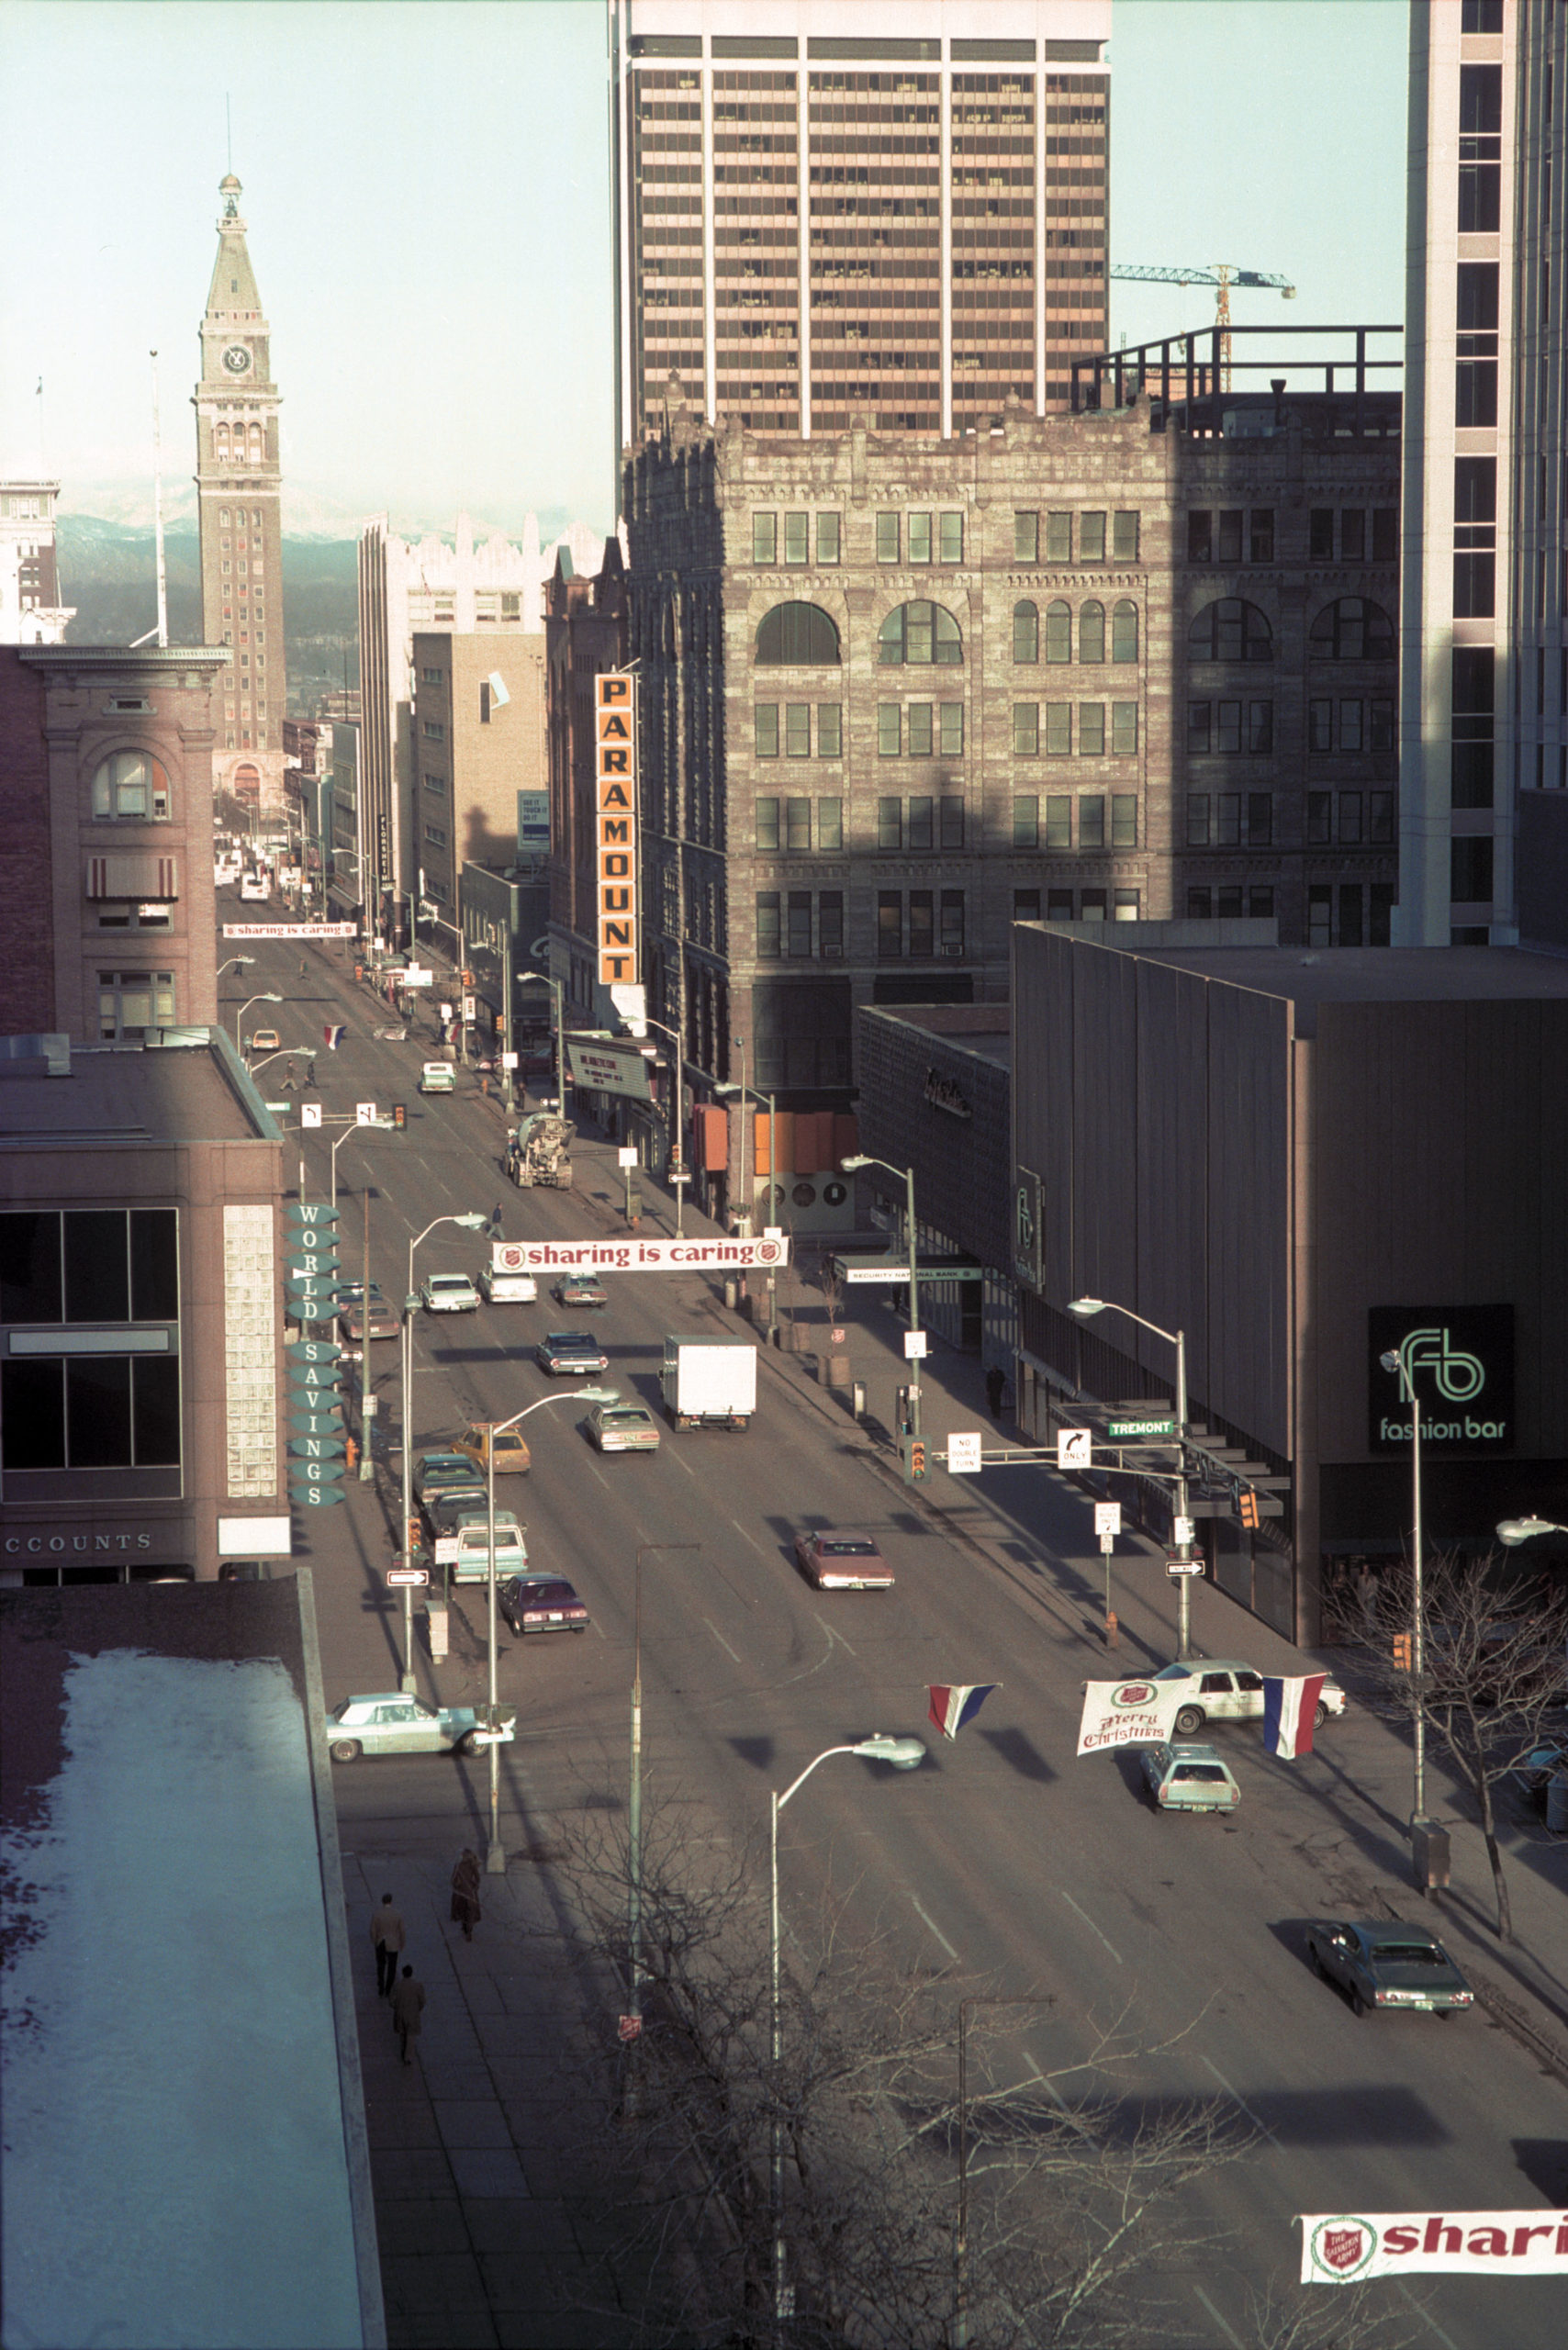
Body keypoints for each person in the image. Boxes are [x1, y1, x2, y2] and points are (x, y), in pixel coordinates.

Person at [370, 1893, 405, 1998]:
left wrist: (375, 1941)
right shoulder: (397, 1914)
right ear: (391, 1901)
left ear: (382, 1901)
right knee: (392, 1967)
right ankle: (388, 1988)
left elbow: (373, 1929)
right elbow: (402, 1931)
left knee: (381, 1965)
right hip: (393, 1943)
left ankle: (381, 1985)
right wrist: (401, 1943)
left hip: (381, 1942)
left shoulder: (377, 1914)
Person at [391, 1964, 425, 2065]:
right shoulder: (418, 1986)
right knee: (411, 2036)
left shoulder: (398, 1986)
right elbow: (422, 2001)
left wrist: (396, 2007)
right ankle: (408, 2057)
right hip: (412, 2014)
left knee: (402, 2033)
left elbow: (391, 2001)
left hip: (400, 2013)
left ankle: (403, 2051)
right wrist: (417, 2009)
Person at [450, 1847, 482, 1942]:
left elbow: (453, 1879)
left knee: (462, 1911)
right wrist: (475, 1886)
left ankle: (466, 1928)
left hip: (460, 1893)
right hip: (470, 1893)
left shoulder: (458, 1866)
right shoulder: (473, 1866)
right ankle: (469, 1930)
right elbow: (478, 1879)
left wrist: (457, 1884)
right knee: (470, 1912)